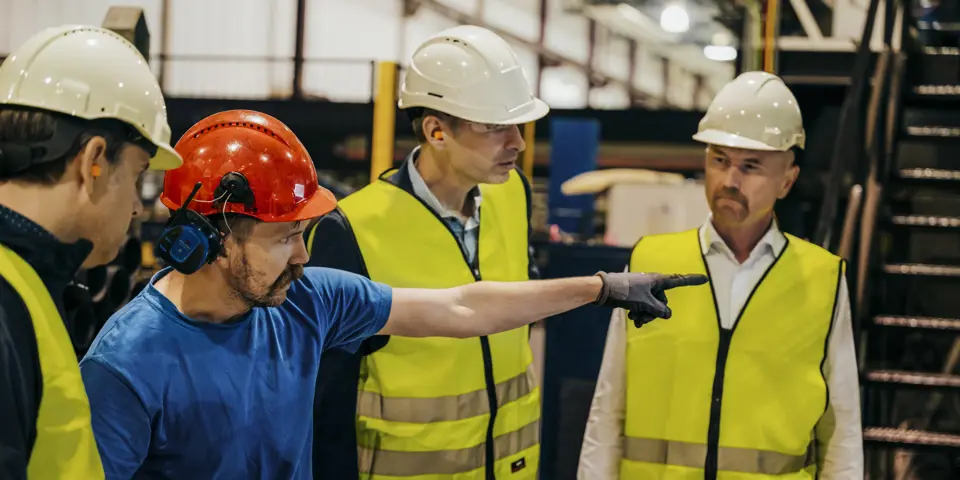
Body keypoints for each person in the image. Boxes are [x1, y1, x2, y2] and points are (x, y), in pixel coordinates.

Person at [77, 108, 706, 479]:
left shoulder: (306, 301)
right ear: (206, 239)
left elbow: (461, 307)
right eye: (282, 238)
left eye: (305, 234)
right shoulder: (128, 363)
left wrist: (600, 288)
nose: (303, 255)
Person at [577, 71, 863, 480]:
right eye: (720, 160)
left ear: (787, 180)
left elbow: (842, 430)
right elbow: (609, 406)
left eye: (751, 166)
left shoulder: (822, 279)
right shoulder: (650, 262)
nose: (730, 181)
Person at [308, 25, 550, 480]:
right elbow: (325, 400)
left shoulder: (513, 194)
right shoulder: (352, 230)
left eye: (517, 124)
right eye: (496, 126)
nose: (517, 141)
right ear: (437, 131)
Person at [0, 25, 182, 479]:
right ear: (94, 161)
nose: (139, 207)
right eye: (139, 175)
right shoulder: (6, 302)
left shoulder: (27, 284)